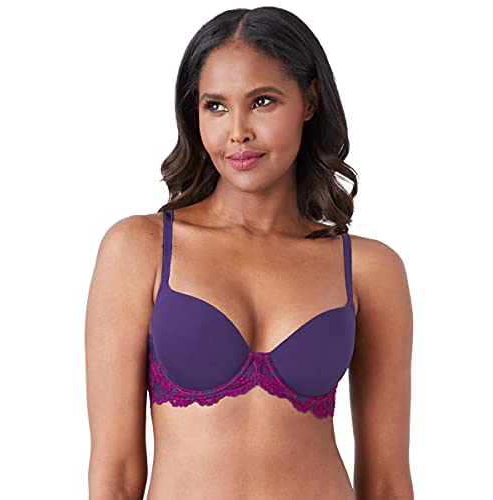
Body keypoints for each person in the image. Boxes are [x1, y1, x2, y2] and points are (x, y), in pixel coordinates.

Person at [85, 6, 414, 499]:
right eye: (215, 106)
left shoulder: (369, 269)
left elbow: (387, 483)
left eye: (262, 101)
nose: (237, 131)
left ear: (309, 100)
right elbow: (115, 476)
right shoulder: (140, 249)